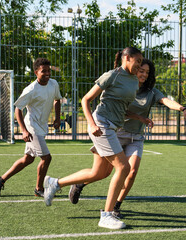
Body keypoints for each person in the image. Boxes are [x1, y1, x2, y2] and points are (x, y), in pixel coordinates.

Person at [68, 59, 186, 218]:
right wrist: (139, 117)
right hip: (116, 133)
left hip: (136, 137)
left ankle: (115, 206)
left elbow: (166, 101)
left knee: (131, 171)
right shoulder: (126, 87)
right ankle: (79, 184)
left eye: (147, 72)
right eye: (141, 70)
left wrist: (183, 109)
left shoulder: (151, 92)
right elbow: (119, 109)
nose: (144, 75)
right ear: (134, 69)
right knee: (101, 173)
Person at [43, 47, 144, 230]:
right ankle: (106, 215)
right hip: (101, 125)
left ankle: (55, 183)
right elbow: (85, 99)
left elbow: (121, 107)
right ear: (127, 58)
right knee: (123, 167)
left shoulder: (133, 81)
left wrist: (140, 118)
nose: (140, 65)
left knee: (100, 173)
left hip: (112, 127)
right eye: (137, 61)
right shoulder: (112, 75)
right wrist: (91, 124)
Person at [0, 58, 62, 197]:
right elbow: (18, 109)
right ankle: (39, 189)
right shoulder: (31, 89)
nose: (48, 74)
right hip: (32, 127)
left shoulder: (54, 84)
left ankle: (1, 179)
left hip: (41, 126)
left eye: (49, 71)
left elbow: (57, 99)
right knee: (46, 158)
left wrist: (57, 117)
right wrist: (24, 131)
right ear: (36, 72)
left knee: (28, 159)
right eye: (44, 71)